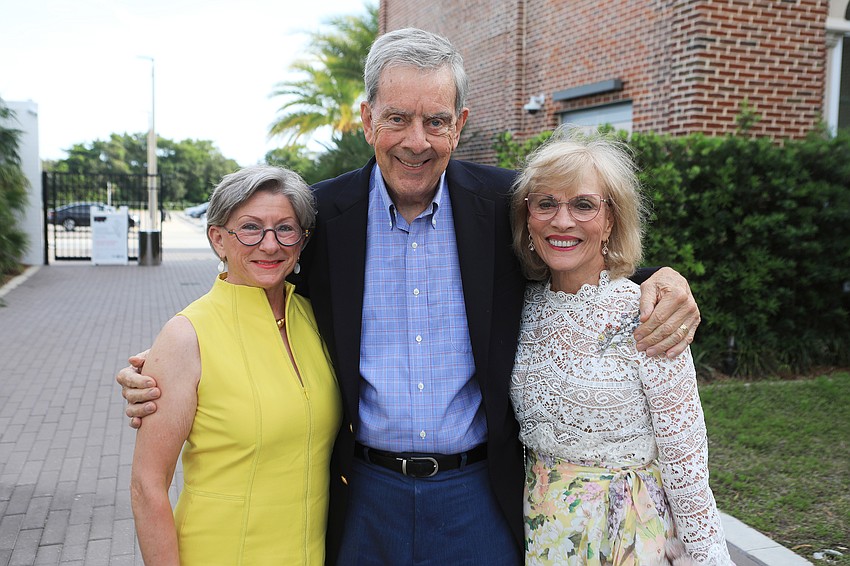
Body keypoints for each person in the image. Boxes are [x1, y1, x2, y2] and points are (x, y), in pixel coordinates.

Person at [120, 28, 701, 565]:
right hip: (362, 495)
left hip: (478, 495)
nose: (416, 142)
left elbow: (571, 247)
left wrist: (658, 277)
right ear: (369, 120)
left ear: (461, 122)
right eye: (397, 118)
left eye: (436, 120)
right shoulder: (325, 217)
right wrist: (173, 363)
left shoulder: (502, 205)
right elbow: (256, 273)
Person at [509, 129, 731, 565]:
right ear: (528, 216)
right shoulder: (519, 307)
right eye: (546, 203)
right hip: (541, 534)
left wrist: (708, 557)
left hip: (626, 536)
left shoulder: (649, 313)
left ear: (611, 220)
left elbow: (685, 460)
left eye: (583, 205)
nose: (562, 220)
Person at [129, 165, 341, 565]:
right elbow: (147, 485)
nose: (269, 244)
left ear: (302, 242)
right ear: (218, 239)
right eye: (250, 227)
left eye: (286, 228)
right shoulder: (185, 335)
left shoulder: (314, 318)